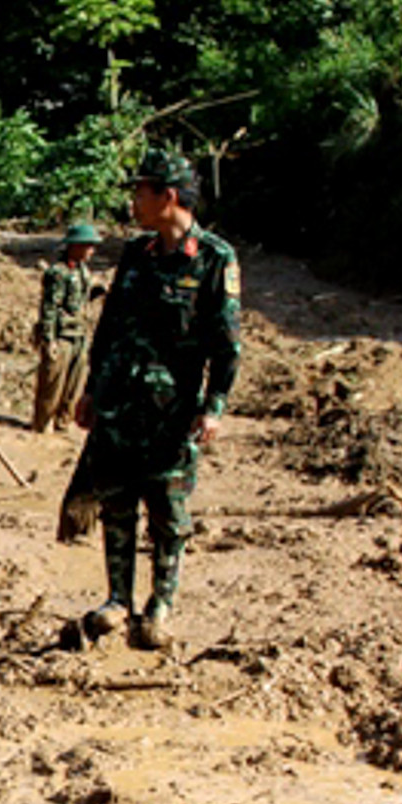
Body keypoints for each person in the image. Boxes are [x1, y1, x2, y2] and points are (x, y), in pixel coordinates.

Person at [67, 149, 241, 652]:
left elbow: (226, 344)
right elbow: (110, 328)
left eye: (140, 191)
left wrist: (214, 408)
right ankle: (119, 599)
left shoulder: (214, 259)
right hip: (120, 405)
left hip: (172, 414)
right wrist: (92, 390)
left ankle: (160, 606)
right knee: (117, 503)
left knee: (167, 511)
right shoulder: (136, 254)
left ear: (168, 196)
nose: (133, 201)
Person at [32, 222, 100, 432]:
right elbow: (49, 308)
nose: (92, 250)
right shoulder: (58, 273)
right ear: (74, 246)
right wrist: (48, 339)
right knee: (52, 384)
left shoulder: (83, 271)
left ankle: (64, 422)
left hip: (78, 333)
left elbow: (82, 299)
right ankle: (42, 425)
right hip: (61, 335)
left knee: (73, 385)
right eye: (88, 245)